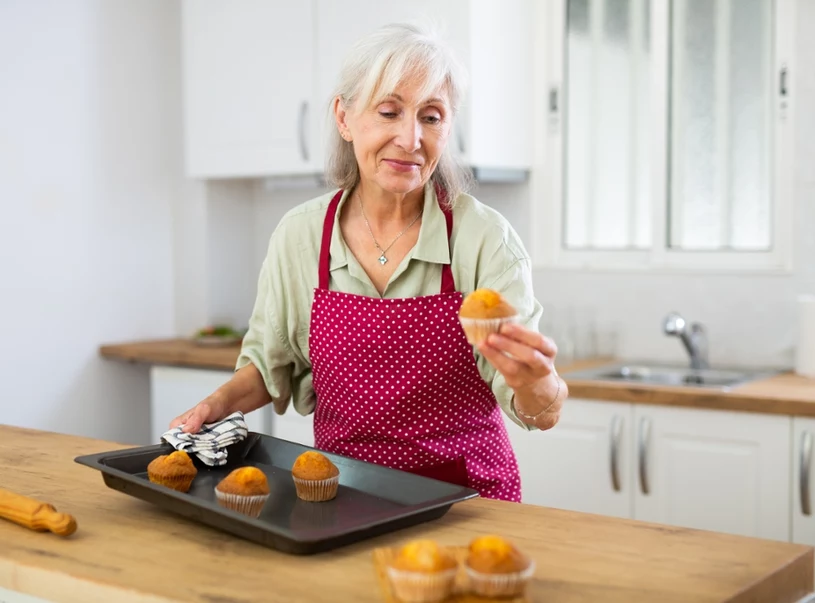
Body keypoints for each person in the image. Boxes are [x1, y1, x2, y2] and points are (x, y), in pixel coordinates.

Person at [170, 22, 568, 503]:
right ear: (344, 116)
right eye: (389, 111)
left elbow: (539, 410)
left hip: (466, 504)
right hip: (343, 499)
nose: (410, 138)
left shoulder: (484, 239)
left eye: (432, 117)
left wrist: (539, 384)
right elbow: (267, 364)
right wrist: (215, 404)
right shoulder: (300, 236)